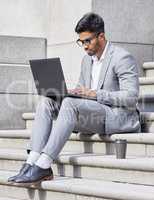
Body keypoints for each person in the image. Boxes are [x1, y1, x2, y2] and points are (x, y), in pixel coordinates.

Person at [8, 12, 140, 184]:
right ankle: (31, 161)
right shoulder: (87, 60)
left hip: (115, 116)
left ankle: (44, 164)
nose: (84, 46)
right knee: (47, 101)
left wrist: (95, 94)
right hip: (91, 112)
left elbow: (131, 97)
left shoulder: (121, 57)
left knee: (70, 104)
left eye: (87, 41)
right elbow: (81, 90)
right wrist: (68, 92)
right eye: (81, 41)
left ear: (101, 36)